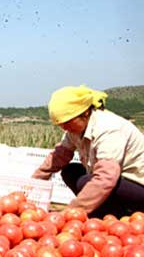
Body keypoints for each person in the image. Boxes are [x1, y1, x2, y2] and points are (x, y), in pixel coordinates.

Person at [33, 85, 144, 218]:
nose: (64, 127)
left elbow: (106, 178)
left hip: (138, 186)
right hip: (117, 182)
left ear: (85, 113)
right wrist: (33, 183)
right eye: (60, 124)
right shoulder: (75, 129)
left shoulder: (109, 129)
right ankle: (103, 213)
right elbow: (59, 156)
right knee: (70, 171)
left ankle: (115, 215)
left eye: (67, 122)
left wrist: (71, 212)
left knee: (85, 181)